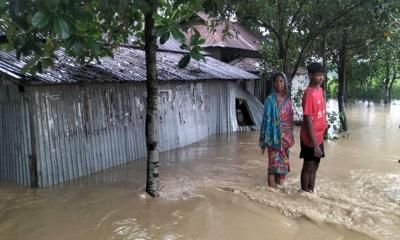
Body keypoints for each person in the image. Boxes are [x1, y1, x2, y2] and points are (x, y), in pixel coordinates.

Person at [260, 72, 295, 188]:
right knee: (272, 167)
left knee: (281, 168)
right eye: (276, 81)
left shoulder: (288, 100)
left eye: (281, 81)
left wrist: (289, 138)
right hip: (272, 139)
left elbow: (290, 121)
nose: (278, 84)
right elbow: (266, 121)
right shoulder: (269, 100)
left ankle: (277, 193)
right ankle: (271, 192)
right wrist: (265, 139)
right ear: (273, 84)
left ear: (285, 83)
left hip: (285, 140)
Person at [300, 62, 327, 192]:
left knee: (315, 166)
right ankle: (304, 193)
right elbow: (308, 120)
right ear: (311, 75)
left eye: (323, 75)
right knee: (308, 167)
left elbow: (322, 110)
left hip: (319, 137)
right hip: (310, 139)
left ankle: (311, 191)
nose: (321, 78)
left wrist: (325, 126)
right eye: (318, 75)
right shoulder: (308, 94)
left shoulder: (320, 90)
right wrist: (315, 145)